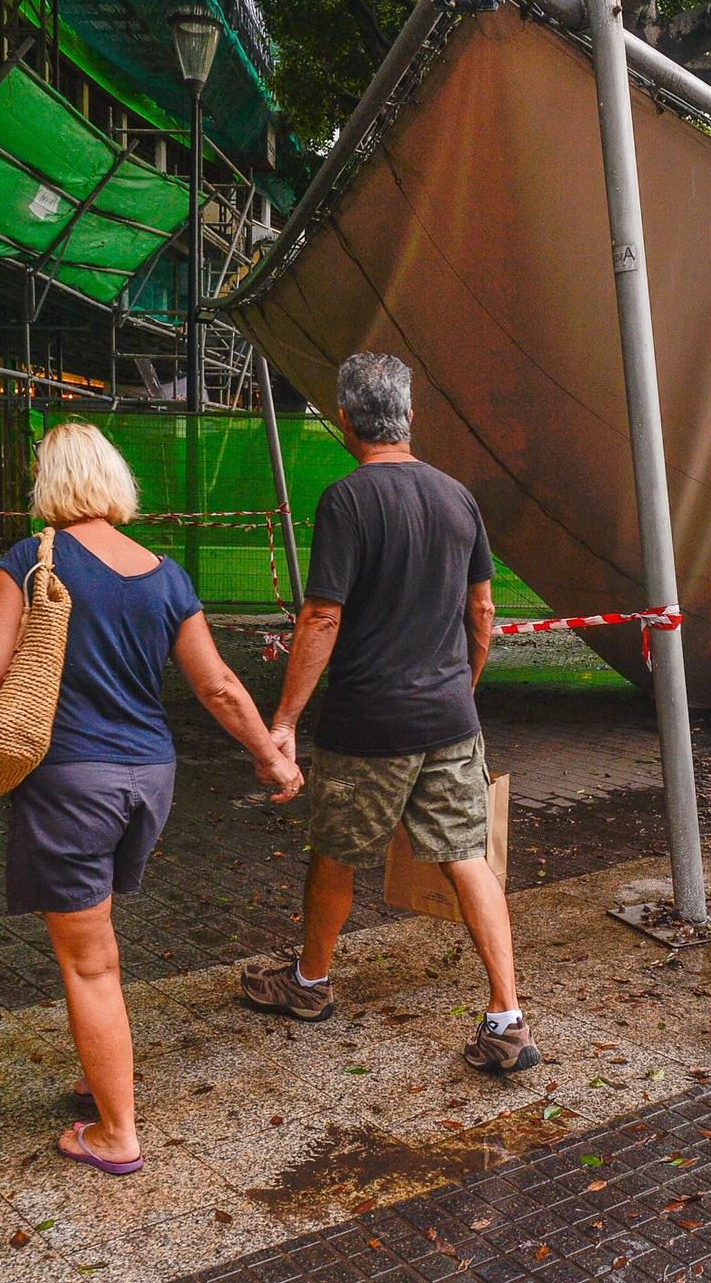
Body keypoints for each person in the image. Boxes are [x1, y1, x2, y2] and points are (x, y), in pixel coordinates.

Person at [0, 422, 302, 1176]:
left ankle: (116, 1133)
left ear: (49, 483)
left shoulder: (34, 558)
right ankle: (96, 1070)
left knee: (89, 964)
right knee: (97, 944)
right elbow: (217, 684)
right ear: (113, 480)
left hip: (73, 781)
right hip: (149, 779)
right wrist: (271, 757)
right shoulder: (166, 574)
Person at [239, 353, 538, 1074]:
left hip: (367, 725)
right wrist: (463, 687)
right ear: (410, 416)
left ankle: (310, 985)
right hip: (449, 721)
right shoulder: (458, 497)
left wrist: (283, 717)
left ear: (344, 418)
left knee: (336, 856)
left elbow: (320, 617)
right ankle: (507, 1018)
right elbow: (484, 609)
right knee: (469, 859)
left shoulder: (346, 500)